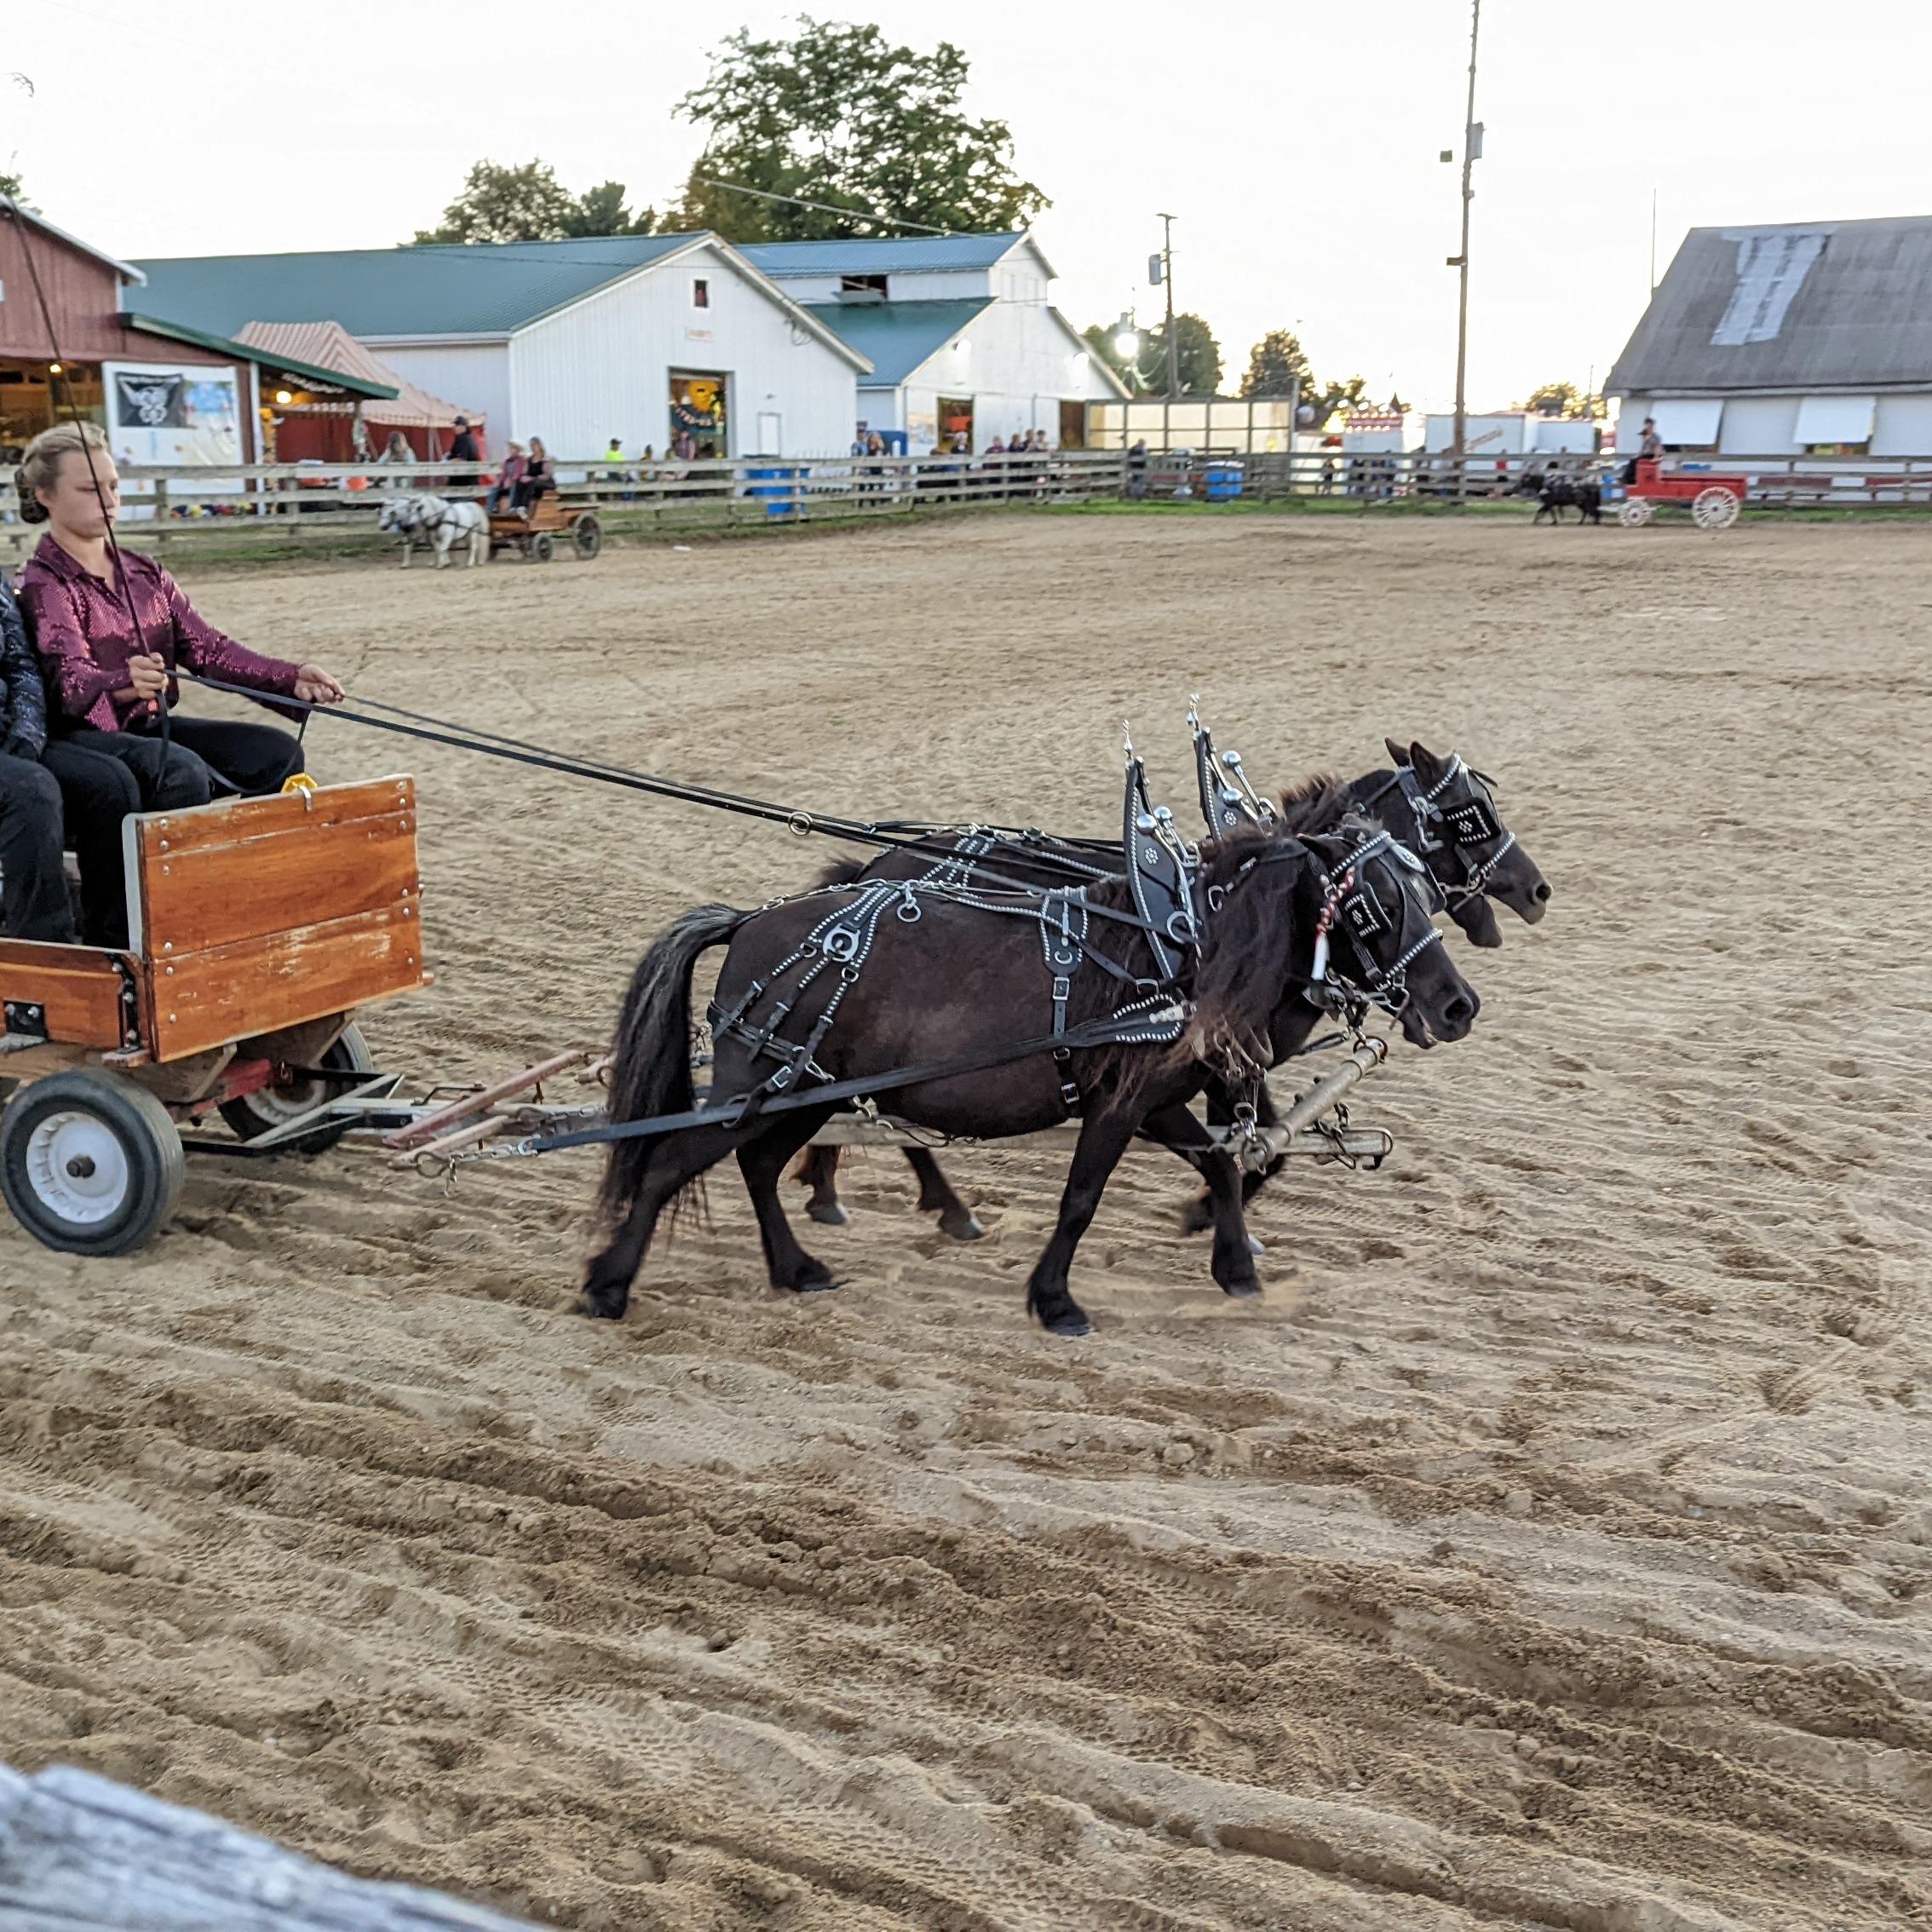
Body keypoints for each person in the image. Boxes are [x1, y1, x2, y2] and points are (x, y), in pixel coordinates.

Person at [15, 425, 345, 940]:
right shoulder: (43, 583)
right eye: (90, 489)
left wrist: (288, 677)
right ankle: (152, 922)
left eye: (115, 486)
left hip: (149, 729)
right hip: (84, 739)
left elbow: (209, 650)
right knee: (181, 772)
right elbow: (67, 680)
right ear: (44, 495)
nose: (109, 500)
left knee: (277, 756)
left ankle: (234, 889)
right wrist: (121, 682)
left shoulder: (145, 573)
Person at [0, 572, 81, 944]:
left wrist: (26, 734)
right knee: (31, 790)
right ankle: (46, 958)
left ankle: (111, 942)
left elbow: (20, 665)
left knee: (109, 783)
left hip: (8, 735)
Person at [513, 436, 554, 512]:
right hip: (533, 481)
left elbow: (546, 476)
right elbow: (525, 472)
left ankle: (525, 505)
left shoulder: (545, 459)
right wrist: (523, 477)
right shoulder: (529, 459)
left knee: (532, 483)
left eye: (534, 445)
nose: (533, 447)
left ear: (539, 446)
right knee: (519, 482)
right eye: (531, 445)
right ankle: (516, 505)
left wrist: (532, 478)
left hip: (545, 483)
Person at [486, 441, 526, 514]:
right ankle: (490, 508)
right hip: (507, 481)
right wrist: (499, 481)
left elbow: (518, 473)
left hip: (517, 481)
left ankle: (512, 507)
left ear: (518, 450)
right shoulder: (507, 461)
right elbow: (504, 474)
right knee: (494, 488)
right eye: (510, 448)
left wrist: (512, 479)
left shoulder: (521, 460)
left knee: (514, 487)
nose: (511, 450)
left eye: (513, 448)